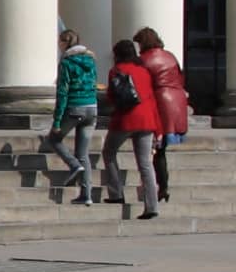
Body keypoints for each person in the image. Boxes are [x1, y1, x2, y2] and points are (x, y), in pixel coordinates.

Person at [100, 39, 163, 219]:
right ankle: (152, 206)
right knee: (145, 164)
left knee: (109, 152)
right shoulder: (144, 71)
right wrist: (158, 129)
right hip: (147, 120)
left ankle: (116, 193)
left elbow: (112, 97)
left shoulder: (116, 71)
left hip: (125, 119)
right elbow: (152, 100)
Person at [39, 28, 101, 204]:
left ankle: (73, 165)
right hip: (92, 108)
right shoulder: (91, 61)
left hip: (75, 107)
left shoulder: (66, 63)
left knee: (54, 139)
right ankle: (87, 195)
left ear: (65, 43)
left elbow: (62, 93)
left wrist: (57, 121)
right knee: (83, 153)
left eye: (60, 42)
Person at [134, 27, 189, 204]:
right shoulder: (170, 56)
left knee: (156, 147)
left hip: (161, 100)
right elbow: (180, 76)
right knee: (161, 148)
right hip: (177, 99)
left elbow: (141, 83)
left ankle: (160, 186)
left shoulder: (144, 60)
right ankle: (163, 187)